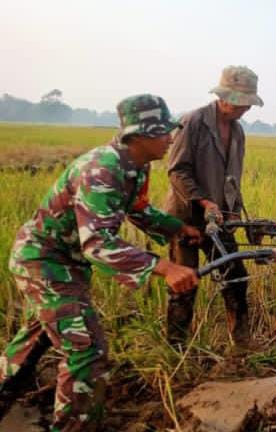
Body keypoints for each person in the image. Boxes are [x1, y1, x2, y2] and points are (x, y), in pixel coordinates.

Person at [0, 94, 202, 431]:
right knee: (87, 352)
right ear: (139, 135)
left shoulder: (134, 166)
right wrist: (163, 267)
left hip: (64, 265)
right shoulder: (103, 170)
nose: (170, 138)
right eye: (163, 132)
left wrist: (177, 228)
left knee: (36, 342)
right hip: (44, 263)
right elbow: (97, 243)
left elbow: (137, 209)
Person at [164, 65, 263, 346]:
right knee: (184, 283)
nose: (246, 109)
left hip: (219, 220)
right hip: (187, 217)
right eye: (242, 103)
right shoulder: (193, 122)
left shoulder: (238, 131)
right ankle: (176, 349)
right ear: (225, 96)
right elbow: (177, 171)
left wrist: (235, 210)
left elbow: (233, 177)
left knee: (236, 277)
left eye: (249, 104)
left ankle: (241, 344)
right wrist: (204, 201)